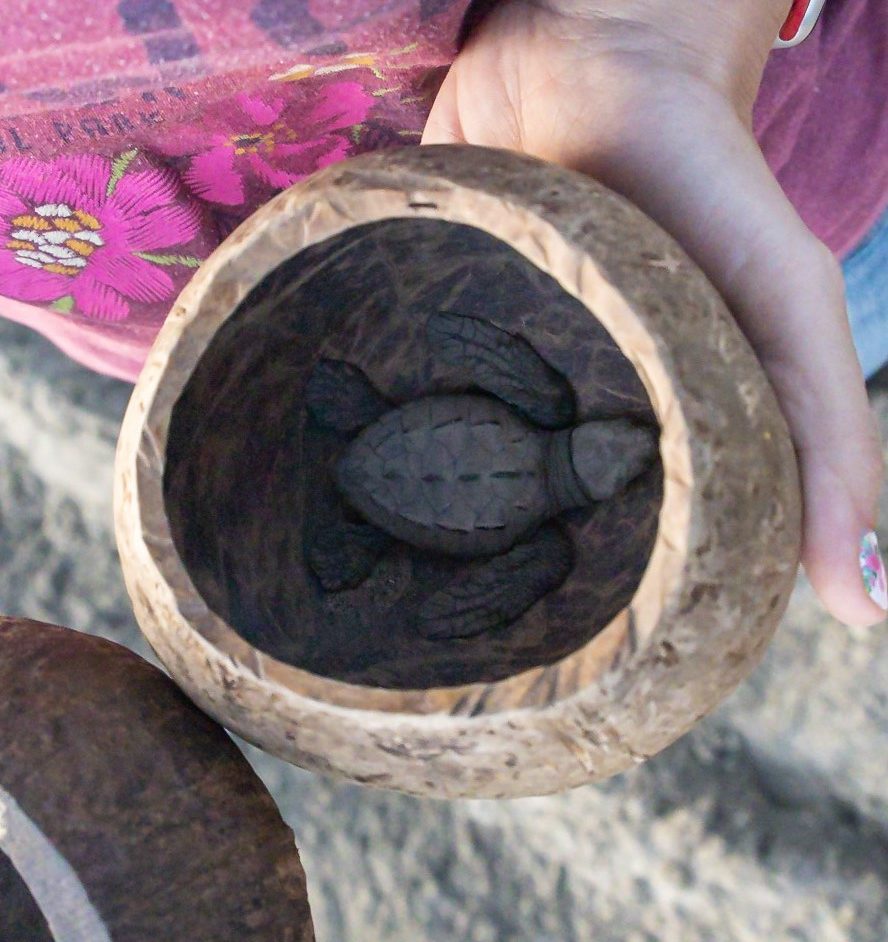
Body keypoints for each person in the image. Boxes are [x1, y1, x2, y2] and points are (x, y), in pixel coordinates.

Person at [0, 0, 885, 624]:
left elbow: (485, 381)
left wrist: (650, 25)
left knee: (816, 343)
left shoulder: (535, 412)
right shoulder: (540, 416)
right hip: (142, 302)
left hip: (712, 161)